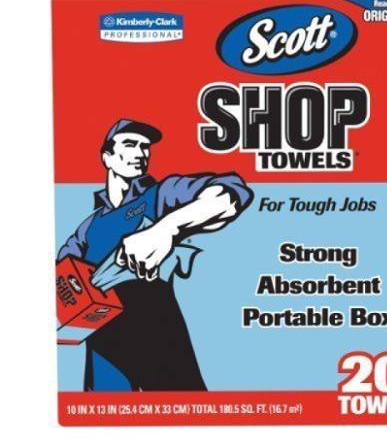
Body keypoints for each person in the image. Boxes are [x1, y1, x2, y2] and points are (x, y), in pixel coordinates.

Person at [58, 119, 253, 391]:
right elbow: (58, 281)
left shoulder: (161, 194)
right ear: (107, 157)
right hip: (103, 351)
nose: (141, 153)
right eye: (130, 144)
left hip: (158, 339)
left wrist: (165, 229)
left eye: (145, 147)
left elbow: (229, 195)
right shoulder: (88, 227)